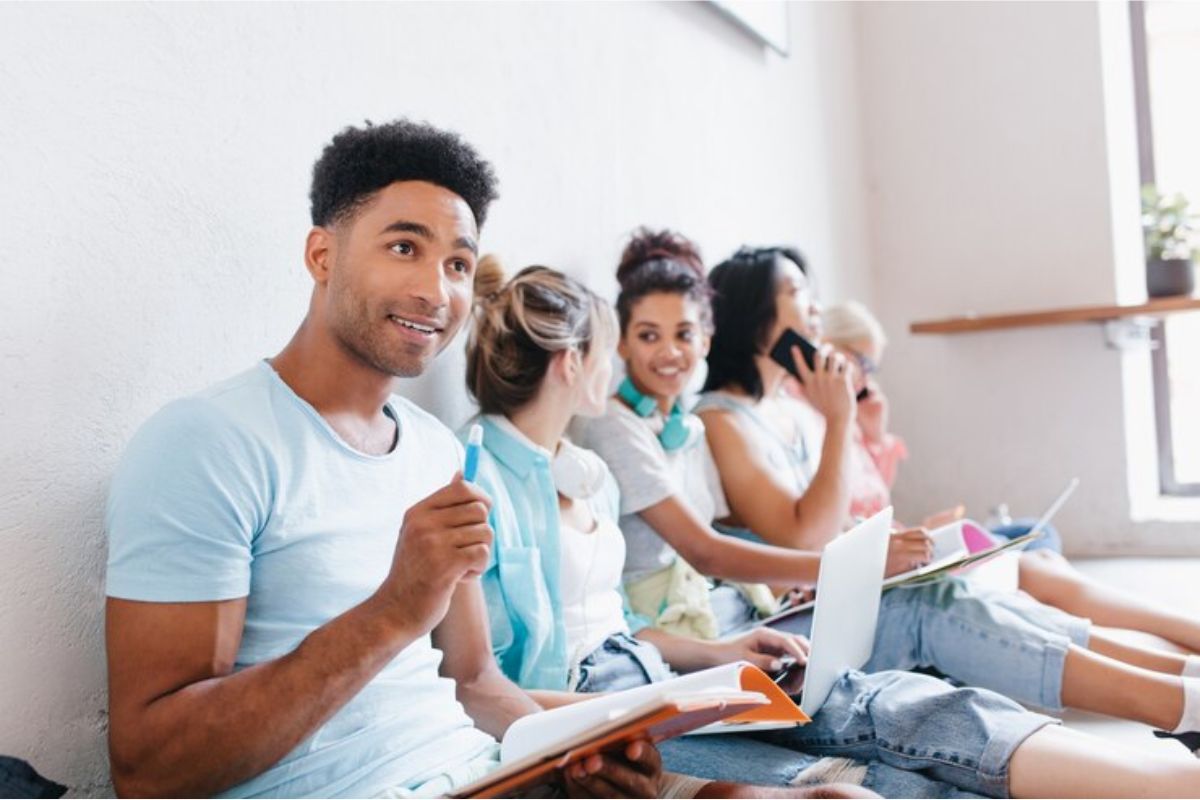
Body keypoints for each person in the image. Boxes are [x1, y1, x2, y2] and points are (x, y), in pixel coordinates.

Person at [462, 253, 1200, 798]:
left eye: (682, 332)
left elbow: (622, 621)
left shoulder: (599, 461)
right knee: (859, 759)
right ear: (572, 363)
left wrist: (714, 651)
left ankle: (1172, 752)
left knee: (890, 690)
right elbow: (497, 677)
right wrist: (665, 695)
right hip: (622, 697)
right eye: (628, 338)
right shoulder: (497, 479)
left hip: (661, 661)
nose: (647, 354)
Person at [104, 119, 666, 799]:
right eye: (404, 247)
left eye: (458, 264)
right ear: (322, 256)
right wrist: (394, 611)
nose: (436, 292)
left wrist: (577, 757)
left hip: (483, 775)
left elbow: (474, 681)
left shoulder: (435, 449)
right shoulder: (206, 443)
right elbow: (150, 772)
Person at [697, 244, 1200, 753]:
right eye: (795, 291)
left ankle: (1184, 685)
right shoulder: (722, 418)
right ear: (753, 311)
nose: (812, 307)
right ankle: (1180, 704)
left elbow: (835, 524)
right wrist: (840, 419)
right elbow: (805, 534)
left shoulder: (785, 411)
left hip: (829, 593)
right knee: (937, 602)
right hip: (790, 622)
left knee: (988, 595)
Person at [821, 299, 1200, 661]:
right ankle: (1181, 644)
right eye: (863, 363)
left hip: (903, 546)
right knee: (1037, 566)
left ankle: (1177, 640)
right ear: (827, 348)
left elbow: (875, 504)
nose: (866, 378)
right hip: (891, 564)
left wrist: (874, 437)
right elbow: (844, 529)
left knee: (1038, 535)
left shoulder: (846, 420)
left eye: (873, 369)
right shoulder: (820, 427)